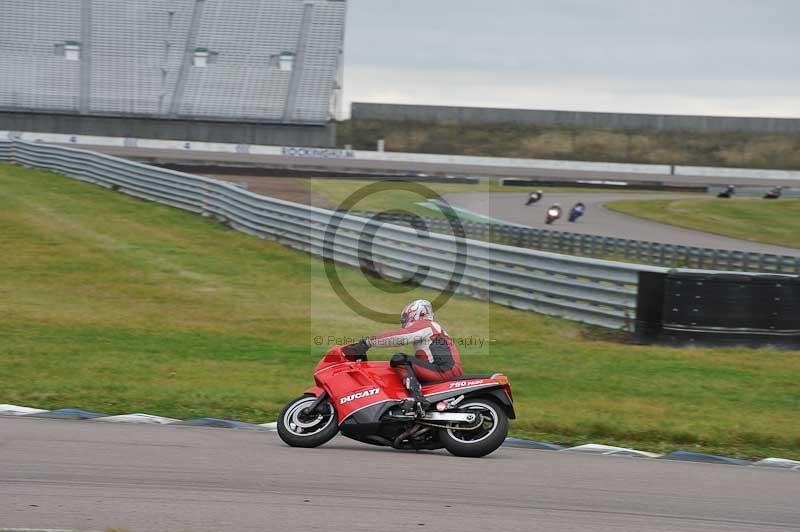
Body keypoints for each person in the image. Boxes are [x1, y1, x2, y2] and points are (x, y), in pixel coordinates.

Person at [344, 299, 463, 409]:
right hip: (443, 369)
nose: (404, 320)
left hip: (443, 370)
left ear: (418, 313)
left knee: (400, 359)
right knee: (407, 367)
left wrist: (367, 342)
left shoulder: (426, 324)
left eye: (406, 316)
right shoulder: (433, 328)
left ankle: (417, 398)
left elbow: (401, 337)